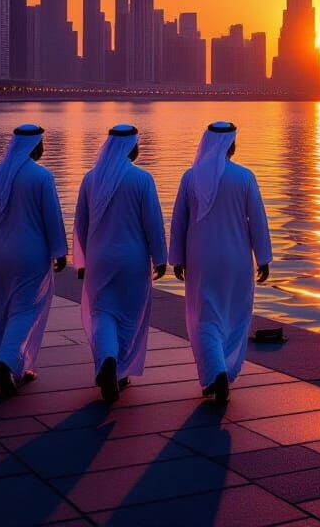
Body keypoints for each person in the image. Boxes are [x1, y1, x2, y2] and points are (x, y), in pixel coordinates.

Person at [169, 121, 272, 404]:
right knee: (236, 313)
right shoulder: (245, 177)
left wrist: (176, 257)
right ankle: (223, 370)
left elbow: (179, 222)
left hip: (201, 258)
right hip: (237, 257)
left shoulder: (190, 178)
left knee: (205, 317)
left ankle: (216, 373)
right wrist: (262, 257)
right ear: (231, 145)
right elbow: (258, 220)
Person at [73, 124, 167, 402]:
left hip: (99, 258)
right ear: (130, 147)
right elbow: (153, 223)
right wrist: (161, 258)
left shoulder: (91, 179)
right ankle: (119, 369)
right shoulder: (142, 179)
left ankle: (107, 359)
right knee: (129, 316)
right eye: (138, 144)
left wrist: (82, 261)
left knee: (102, 313)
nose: (139, 148)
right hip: (133, 260)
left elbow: (80, 224)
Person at [0, 124, 68, 397]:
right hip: (31, 254)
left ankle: (22, 365)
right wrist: (59, 251)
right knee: (27, 309)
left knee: (4, 308)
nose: (43, 148)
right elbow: (51, 217)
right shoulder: (41, 176)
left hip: (0, 254)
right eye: (41, 144)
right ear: (33, 146)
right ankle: (6, 360)